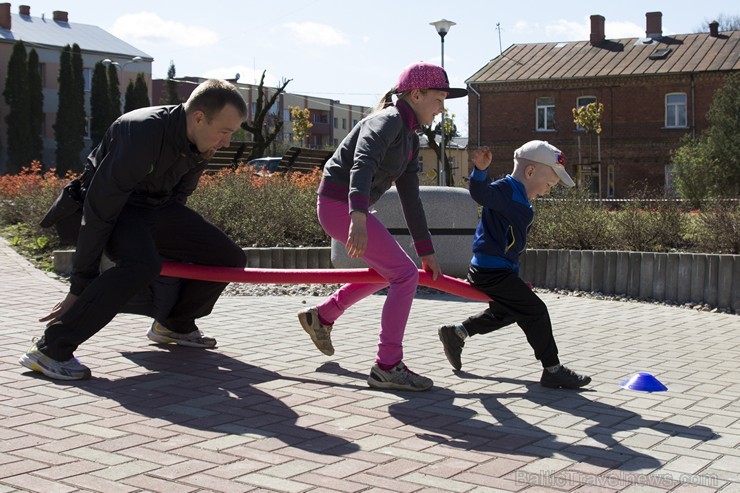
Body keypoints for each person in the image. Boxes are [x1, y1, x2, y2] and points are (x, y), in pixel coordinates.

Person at [19, 79, 249, 381]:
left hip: (155, 208)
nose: (227, 142)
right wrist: (79, 285)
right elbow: (100, 210)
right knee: (141, 265)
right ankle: (50, 349)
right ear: (198, 118)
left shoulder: (200, 142)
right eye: (225, 131)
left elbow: (177, 199)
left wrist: (169, 239)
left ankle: (174, 325)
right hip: (114, 206)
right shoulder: (142, 133)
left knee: (230, 258)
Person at [297, 62, 468, 391]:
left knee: (392, 271)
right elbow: (362, 162)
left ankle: (323, 316)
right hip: (339, 206)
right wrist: (358, 216)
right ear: (416, 95)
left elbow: (411, 199)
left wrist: (426, 250)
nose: (441, 109)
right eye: (438, 100)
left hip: (348, 207)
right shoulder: (388, 120)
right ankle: (387, 365)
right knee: (403, 276)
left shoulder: (409, 139)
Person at [438, 141, 592, 389]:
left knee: (509, 311)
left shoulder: (521, 197)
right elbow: (480, 194)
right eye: (549, 184)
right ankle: (553, 369)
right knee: (536, 310)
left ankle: (457, 333)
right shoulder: (505, 190)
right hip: (489, 270)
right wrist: (480, 171)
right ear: (530, 172)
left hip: (502, 271)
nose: (548, 191)